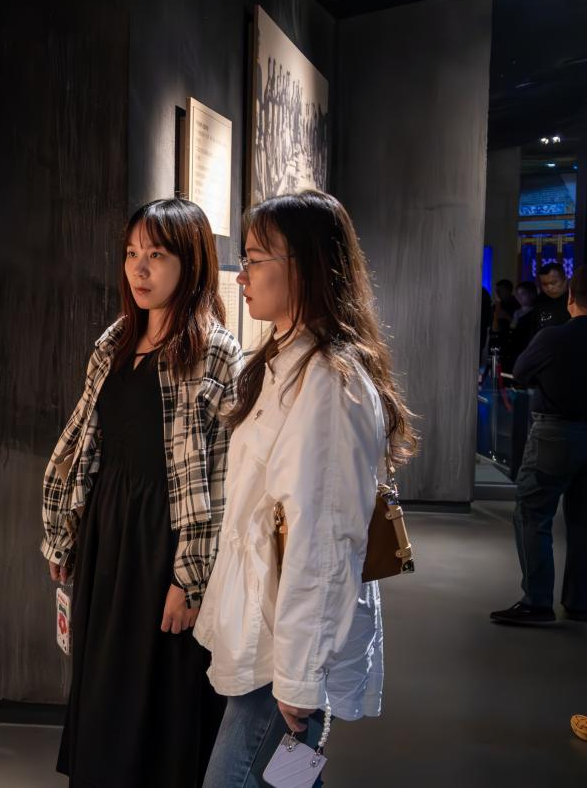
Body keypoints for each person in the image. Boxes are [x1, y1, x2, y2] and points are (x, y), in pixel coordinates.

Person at [194, 191, 417, 787]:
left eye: (256, 258)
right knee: (284, 780)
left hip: (284, 647)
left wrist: (298, 674)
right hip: (269, 629)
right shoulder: (283, 361)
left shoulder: (326, 384)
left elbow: (323, 541)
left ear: (306, 266)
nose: (242, 275)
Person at [41, 198, 243, 786]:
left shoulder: (215, 351)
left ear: (191, 262)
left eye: (156, 255)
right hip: (109, 534)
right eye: (131, 254)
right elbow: (83, 444)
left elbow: (222, 477)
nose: (139, 268)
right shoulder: (115, 341)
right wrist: (65, 533)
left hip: (166, 543)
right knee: (104, 681)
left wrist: (191, 578)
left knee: (161, 695)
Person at [490, 269, 587, 625]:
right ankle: (579, 601)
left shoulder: (553, 337)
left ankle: (537, 601)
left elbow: (521, 372)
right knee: (583, 520)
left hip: (555, 432)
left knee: (533, 513)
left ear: (571, 297)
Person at [534, 262, 571, 329]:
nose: (549, 288)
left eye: (553, 283)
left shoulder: (576, 301)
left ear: (565, 280)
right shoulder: (539, 301)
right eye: (545, 284)